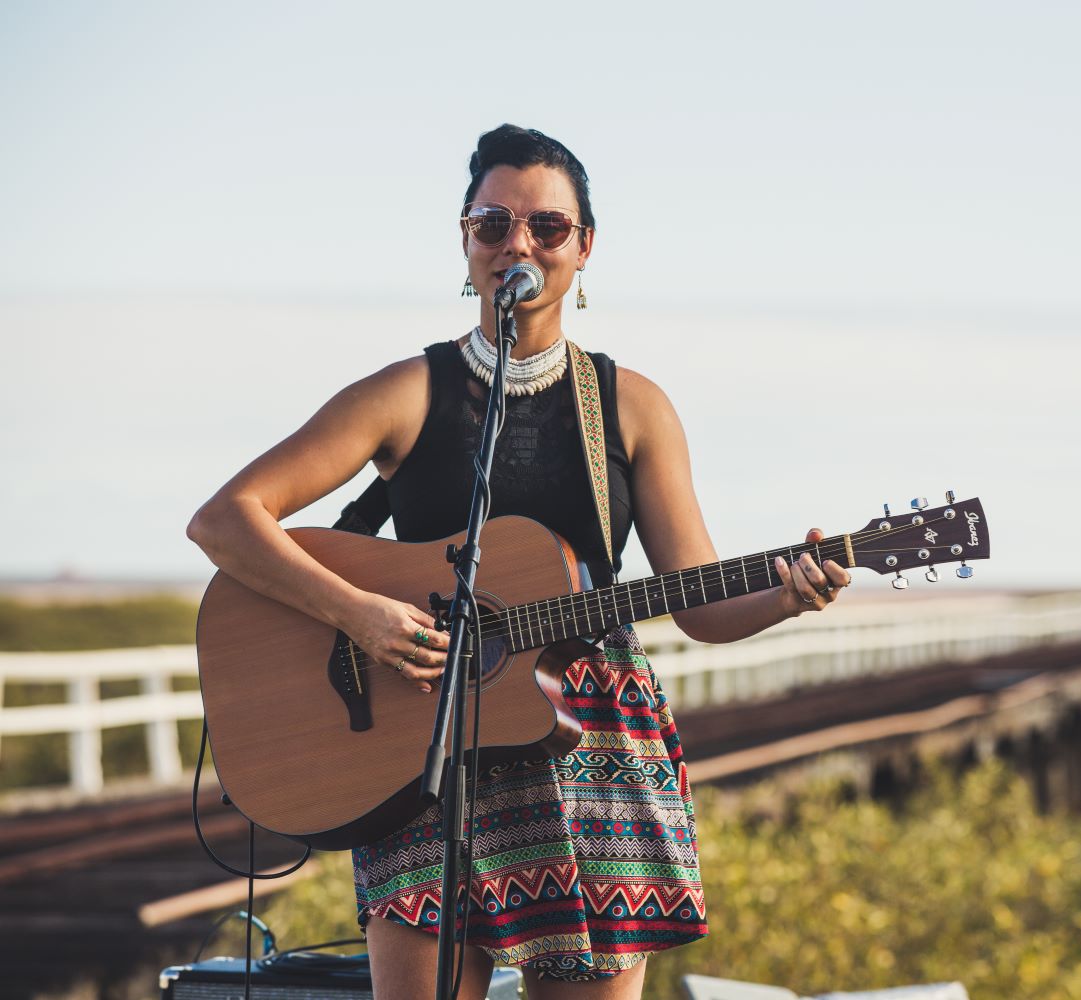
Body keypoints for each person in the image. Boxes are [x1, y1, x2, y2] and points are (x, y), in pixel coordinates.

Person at [187, 124, 852, 1000]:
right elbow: (225, 520)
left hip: (594, 749)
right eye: (492, 223)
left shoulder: (630, 405)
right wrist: (359, 613)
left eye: (546, 226)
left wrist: (789, 594)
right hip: (425, 745)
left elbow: (700, 604)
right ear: (464, 242)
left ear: (583, 249)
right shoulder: (407, 393)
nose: (517, 245)